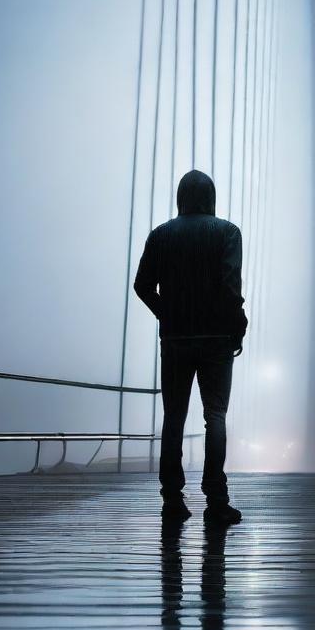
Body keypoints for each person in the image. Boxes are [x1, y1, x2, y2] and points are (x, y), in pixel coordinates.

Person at [134, 169, 247, 525]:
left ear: (180, 197)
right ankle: (216, 501)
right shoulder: (227, 232)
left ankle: (172, 501)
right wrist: (237, 326)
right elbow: (230, 287)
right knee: (215, 415)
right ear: (211, 196)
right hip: (216, 339)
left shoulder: (161, 235)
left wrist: (167, 314)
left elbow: (142, 286)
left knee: (174, 418)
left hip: (175, 340)